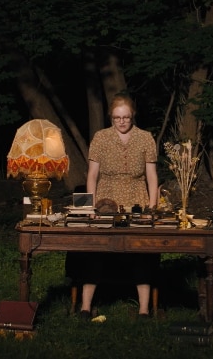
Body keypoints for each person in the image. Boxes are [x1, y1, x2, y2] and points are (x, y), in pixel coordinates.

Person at [66, 92, 159, 319]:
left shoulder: (146, 138)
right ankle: (86, 307)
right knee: (95, 251)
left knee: (142, 252)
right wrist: (89, 208)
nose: (122, 122)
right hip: (106, 201)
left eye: (126, 117)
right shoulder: (100, 138)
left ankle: (144, 310)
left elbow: (152, 177)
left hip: (137, 199)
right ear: (111, 117)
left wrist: (151, 209)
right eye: (117, 118)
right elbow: (92, 176)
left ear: (133, 115)